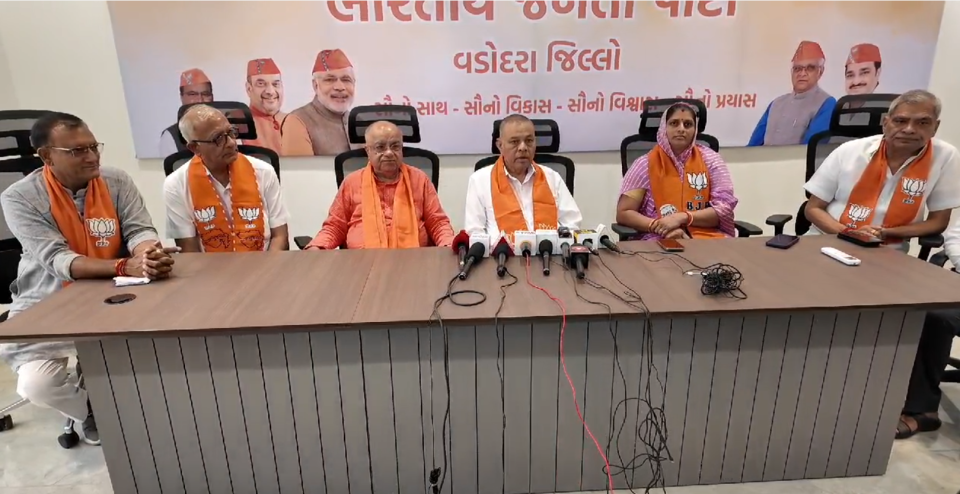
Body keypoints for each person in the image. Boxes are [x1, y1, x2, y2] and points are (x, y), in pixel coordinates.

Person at [0, 112, 178, 446]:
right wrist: (125, 266)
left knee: (166, 351)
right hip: (48, 298)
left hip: (117, 293)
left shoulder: (116, 181)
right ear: (47, 156)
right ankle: (95, 409)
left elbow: (139, 228)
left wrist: (147, 254)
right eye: (78, 151)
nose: (92, 156)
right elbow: (59, 260)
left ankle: (123, 398)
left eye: (94, 147)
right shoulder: (19, 197)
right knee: (37, 386)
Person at [803, 89, 960, 252]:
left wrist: (885, 233)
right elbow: (813, 208)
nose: (909, 129)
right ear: (885, 123)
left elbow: (938, 222)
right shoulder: (850, 150)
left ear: (935, 127)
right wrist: (850, 234)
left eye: (923, 123)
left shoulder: (945, 156)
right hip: (829, 238)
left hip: (888, 250)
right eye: (900, 121)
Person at [305, 121, 453, 249]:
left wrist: (448, 245)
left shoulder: (419, 179)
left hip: (413, 260)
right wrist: (317, 247)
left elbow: (437, 223)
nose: (389, 153)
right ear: (368, 151)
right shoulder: (352, 182)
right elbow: (335, 226)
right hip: (361, 262)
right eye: (380, 147)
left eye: (395, 146)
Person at [164, 105, 290, 252]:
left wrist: (269, 265)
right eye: (218, 138)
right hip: (209, 264)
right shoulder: (176, 185)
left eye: (231, 132)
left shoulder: (264, 172)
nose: (231, 143)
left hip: (263, 260)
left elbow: (279, 236)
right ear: (195, 148)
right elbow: (189, 250)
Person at [616, 102, 738, 240]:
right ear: (664, 127)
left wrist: (683, 217)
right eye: (674, 123)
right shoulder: (644, 164)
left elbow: (724, 209)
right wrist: (659, 226)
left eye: (688, 124)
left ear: (695, 129)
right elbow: (625, 212)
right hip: (658, 236)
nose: (681, 129)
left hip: (705, 235)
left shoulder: (711, 160)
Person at [463, 114, 582, 242]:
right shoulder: (480, 180)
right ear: (500, 145)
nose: (523, 147)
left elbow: (572, 224)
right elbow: (474, 232)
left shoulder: (552, 177)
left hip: (550, 251)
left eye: (529, 141)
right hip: (501, 253)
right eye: (514, 142)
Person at [748, 41, 836, 147]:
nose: (802, 74)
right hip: (763, 158)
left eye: (810, 68)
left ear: (820, 72)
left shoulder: (826, 103)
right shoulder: (776, 103)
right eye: (797, 69)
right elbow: (751, 147)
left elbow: (811, 148)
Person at [281, 49, 357, 156]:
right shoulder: (298, 120)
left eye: (346, 80)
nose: (340, 87)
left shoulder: (358, 121)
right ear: (315, 85)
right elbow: (299, 167)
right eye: (330, 80)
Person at [159, 68, 214, 157]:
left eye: (205, 94)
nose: (200, 100)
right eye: (192, 94)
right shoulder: (171, 136)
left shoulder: (226, 128)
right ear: (182, 97)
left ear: (212, 97)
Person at [244, 58, 287, 153]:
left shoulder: (295, 121)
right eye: (261, 84)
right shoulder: (240, 124)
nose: (270, 92)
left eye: (276, 84)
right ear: (249, 89)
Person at [839, 43, 884, 126]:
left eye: (864, 73)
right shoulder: (839, 108)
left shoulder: (885, 111)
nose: (856, 82)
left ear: (877, 73)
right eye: (850, 75)